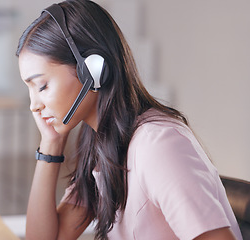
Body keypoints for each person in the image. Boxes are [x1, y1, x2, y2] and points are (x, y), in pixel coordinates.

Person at [15, 0, 243, 239]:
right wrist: (51, 144)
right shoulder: (101, 143)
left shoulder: (158, 145)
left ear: (93, 70)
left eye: (42, 86)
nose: (34, 105)